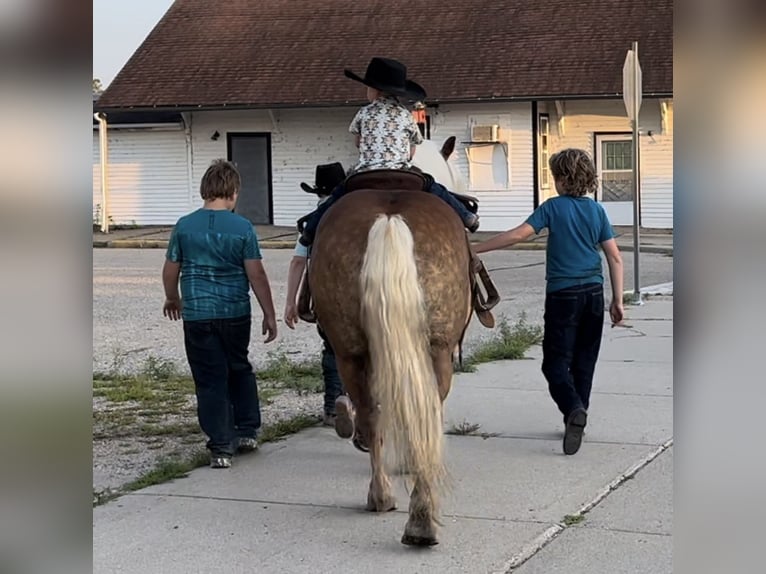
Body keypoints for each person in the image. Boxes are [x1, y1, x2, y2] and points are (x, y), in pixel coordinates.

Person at [472, 148, 624, 456]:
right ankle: (577, 414)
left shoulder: (553, 207)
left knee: (554, 362)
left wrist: (476, 248)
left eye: (555, 176)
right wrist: (617, 300)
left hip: (563, 295)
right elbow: (615, 257)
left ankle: (572, 409)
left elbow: (519, 235)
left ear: (563, 179)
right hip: (594, 294)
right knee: (585, 360)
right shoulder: (597, 211)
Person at [162, 159, 278, 469]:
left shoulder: (184, 226)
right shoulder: (242, 228)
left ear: (205, 189)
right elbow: (257, 275)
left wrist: (172, 298)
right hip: (235, 312)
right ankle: (247, 429)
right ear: (234, 191)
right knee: (239, 366)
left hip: (198, 313)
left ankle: (220, 446)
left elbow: (171, 268)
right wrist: (269, 313)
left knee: (209, 377)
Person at [297, 57, 479, 247]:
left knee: (336, 196)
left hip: (366, 173)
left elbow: (358, 142)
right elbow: (413, 148)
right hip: (401, 171)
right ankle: (467, 217)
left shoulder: (364, 112)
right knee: (436, 188)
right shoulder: (405, 114)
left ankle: (309, 232)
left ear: (375, 90)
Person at [284, 163, 346, 426]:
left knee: (332, 349)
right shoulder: (355, 214)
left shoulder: (316, 219)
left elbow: (298, 261)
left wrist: (290, 301)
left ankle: (333, 407)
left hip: (328, 293)